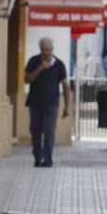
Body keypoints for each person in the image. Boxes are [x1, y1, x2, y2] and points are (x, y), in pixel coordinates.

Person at [23, 37, 71, 167]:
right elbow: (26, 79)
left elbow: (65, 86)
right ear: (40, 50)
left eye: (49, 50)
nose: (47, 53)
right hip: (35, 103)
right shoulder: (33, 61)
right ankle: (38, 157)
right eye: (44, 51)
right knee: (35, 131)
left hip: (52, 104)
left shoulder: (59, 64)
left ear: (52, 49)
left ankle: (48, 159)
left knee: (49, 130)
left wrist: (67, 106)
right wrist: (40, 69)